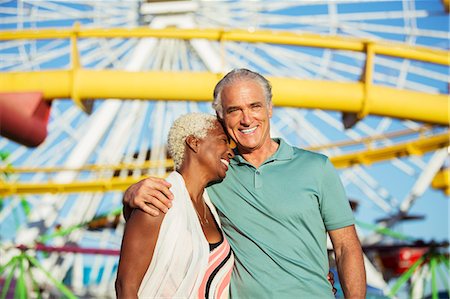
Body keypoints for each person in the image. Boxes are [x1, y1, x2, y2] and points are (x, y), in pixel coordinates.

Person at [123, 69, 366, 298]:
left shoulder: (316, 168)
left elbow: (346, 246)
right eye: (234, 110)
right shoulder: (217, 177)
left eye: (255, 106)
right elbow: (172, 206)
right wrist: (131, 195)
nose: (246, 118)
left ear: (270, 108)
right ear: (221, 116)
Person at [115, 113, 235, 298]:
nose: (230, 152)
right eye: (222, 141)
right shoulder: (157, 203)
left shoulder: (211, 208)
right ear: (194, 142)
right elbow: (126, 286)